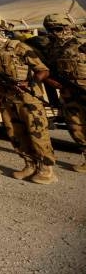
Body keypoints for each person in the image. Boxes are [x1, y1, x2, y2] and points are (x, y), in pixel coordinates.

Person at [0, 15, 55, 184]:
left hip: (27, 98)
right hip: (6, 98)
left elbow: (43, 71)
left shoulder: (20, 47)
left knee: (37, 132)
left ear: (2, 29)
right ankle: (29, 164)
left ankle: (46, 169)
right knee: (14, 133)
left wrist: (28, 82)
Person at [40, 13, 86, 173]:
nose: (54, 33)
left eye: (58, 29)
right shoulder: (52, 48)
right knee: (75, 126)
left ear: (68, 27)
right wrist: (50, 81)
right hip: (69, 93)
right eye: (50, 30)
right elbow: (48, 70)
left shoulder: (82, 42)